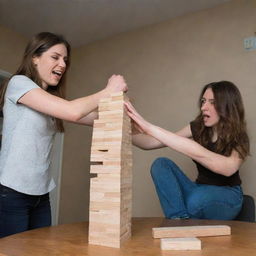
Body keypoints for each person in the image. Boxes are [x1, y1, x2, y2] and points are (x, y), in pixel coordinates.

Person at [0, 32, 127, 238]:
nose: (62, 64)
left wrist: (119, 107)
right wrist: (109, 90)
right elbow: (73, 111)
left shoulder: (51, 103)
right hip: (12, 193)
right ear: (35, 57)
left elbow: (90, 115)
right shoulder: (18, 83)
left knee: (40, 252)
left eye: (65, 60)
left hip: (41, 194)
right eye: (55, 57)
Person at [126, 81, 250, 220]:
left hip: (228, 196)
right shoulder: (198, 127)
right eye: (203, 101)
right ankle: (178, 220)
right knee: (161, 164)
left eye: (212, 102)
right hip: (198, 190)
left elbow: (227, 168)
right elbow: (150, 142)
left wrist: (149, 127)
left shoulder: (239, 136)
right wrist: (123, 128)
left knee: (196, 200)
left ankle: (183, 216)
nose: (203, 107)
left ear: (227, 106)